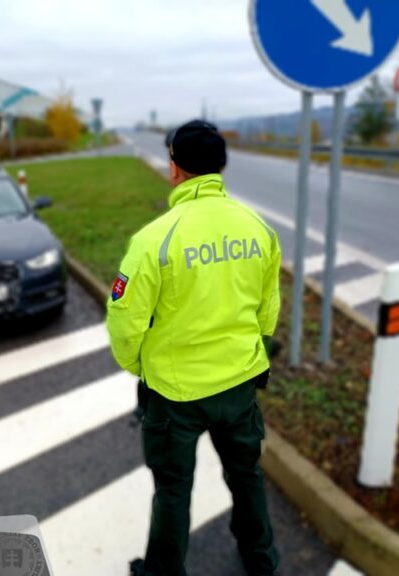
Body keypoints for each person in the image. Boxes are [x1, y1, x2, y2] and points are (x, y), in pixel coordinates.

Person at [106, 120, 282, 576]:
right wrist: (254, 354)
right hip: (239, 387)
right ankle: (262, 560)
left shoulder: (153, 240)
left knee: (173, 488)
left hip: (174, 396)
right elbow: (268, 311)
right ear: (221, 166)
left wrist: (141, 366)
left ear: (174, 168)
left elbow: (124, 323)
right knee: (247, 476)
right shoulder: (258, 229)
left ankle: (163, 572)